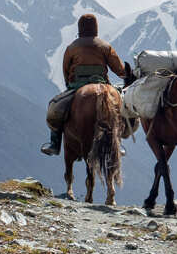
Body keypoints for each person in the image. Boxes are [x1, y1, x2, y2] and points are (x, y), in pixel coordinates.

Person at [42, 13, 129, 155]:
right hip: (103, 85)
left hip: (77, 86)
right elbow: (119, 70)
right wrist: (128, 74)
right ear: (96, 28)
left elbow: (66, 70)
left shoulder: (71, 48)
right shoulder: (105, 46)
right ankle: (118, 143)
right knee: (120, 109)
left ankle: (54, 144)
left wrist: (69, 85)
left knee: (55, 108)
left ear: (79, 28)